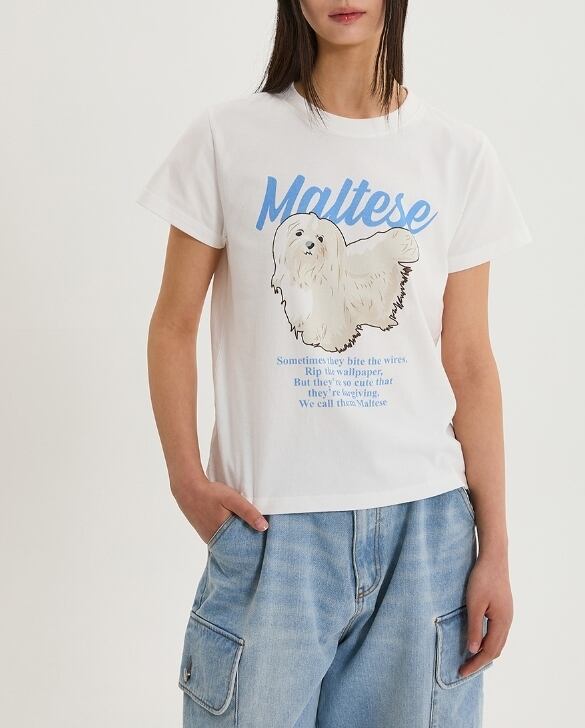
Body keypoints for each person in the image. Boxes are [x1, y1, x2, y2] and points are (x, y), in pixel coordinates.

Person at [136, 1, 532, 726]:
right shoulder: (227, 138)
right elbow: (173, 324)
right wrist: (186, 479)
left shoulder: (458, 155)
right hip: (273, 530)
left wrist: (495, 548)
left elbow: (470, 359)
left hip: (426, 532)